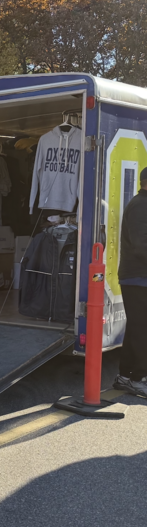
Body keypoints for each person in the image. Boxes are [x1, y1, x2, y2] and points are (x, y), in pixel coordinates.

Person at [115, 167, 147, 397]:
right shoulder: (141, 205)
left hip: (139, 277)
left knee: (137, 328)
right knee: (141, 329)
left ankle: (125, 376)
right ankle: (138, 378)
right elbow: (141, 245)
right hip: (137, 277)